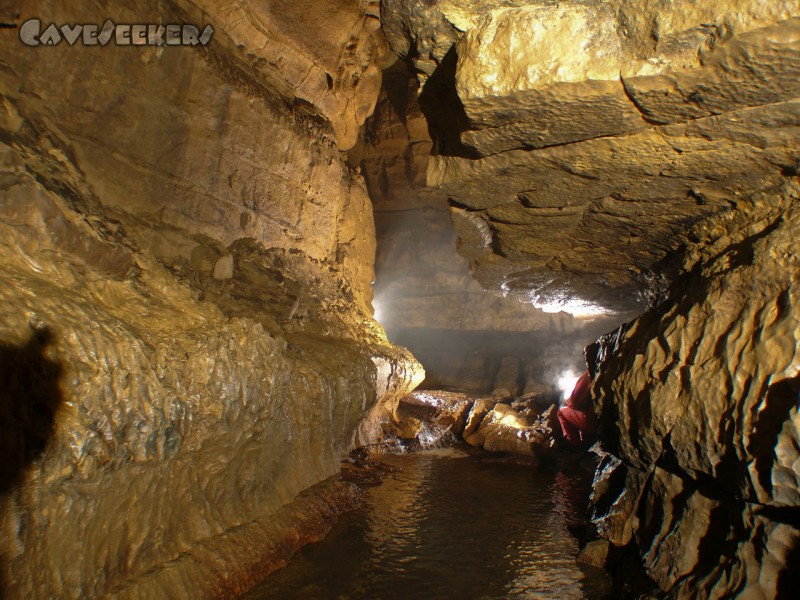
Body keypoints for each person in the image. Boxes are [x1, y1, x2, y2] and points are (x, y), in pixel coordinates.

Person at [557, 370, 597, 447]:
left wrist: (567, 401)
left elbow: (573, 403)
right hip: (607, 419)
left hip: (594, 422)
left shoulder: (588, 374)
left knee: (561, 412)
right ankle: (585, 440)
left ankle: (575, 445)